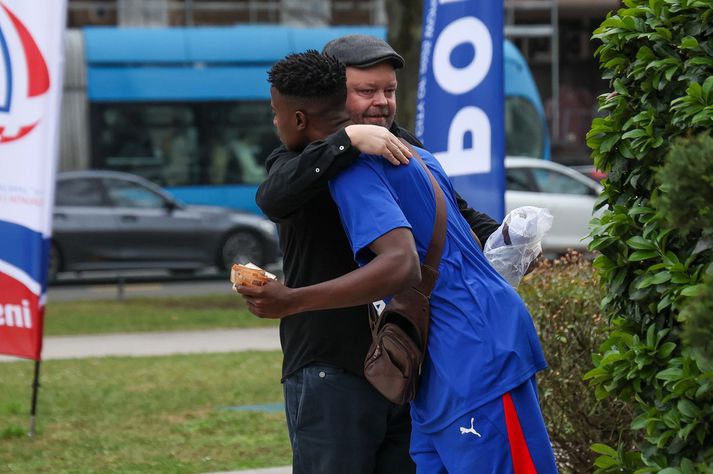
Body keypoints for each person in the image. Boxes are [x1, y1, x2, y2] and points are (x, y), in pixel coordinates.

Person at [239, 50, 558, 473]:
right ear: (341, 96)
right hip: (392, 362)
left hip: (463, 354)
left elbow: (404, 262)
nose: (381, 101)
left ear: (297, 117)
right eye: (366, 90)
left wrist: (291, 300)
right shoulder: (334, 159)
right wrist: (345, 141)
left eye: (388, 90)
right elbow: (273, 196)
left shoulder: (390, 157)